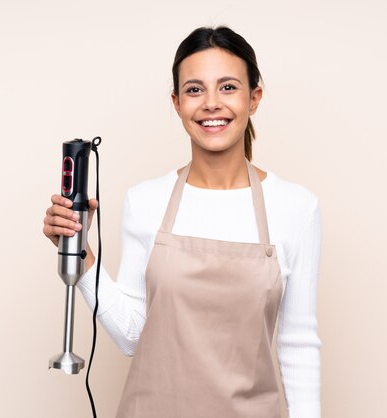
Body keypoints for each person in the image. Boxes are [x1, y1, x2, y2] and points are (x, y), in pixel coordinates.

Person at [43, 26, 322, 418]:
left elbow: (297, 342)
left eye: (228, 87)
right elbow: (133, 336)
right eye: (194, 89)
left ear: (254, 98)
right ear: (176, 102)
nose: (211, 103)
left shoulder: (295, 207)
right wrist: (78, 252)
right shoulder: (145, 201)